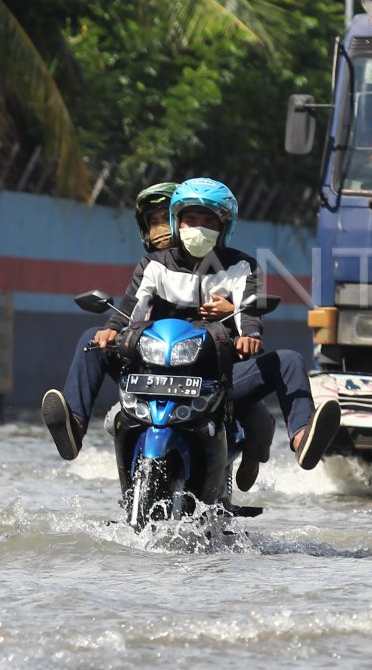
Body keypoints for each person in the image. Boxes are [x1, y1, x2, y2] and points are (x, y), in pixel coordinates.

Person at [41, 178, 340, 485]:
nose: (199, 228)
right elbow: (133, 306)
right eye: (191, 220)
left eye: (209, 221)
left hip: (217, 376)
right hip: (153, 369)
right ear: (177, 222)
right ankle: (74, 426)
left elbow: (250, 312)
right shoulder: (153, 265)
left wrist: (248, 335)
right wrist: (111, 330)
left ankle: (303, 438)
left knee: (289, 360)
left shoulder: (242, 266)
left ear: (224, 226)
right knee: (91, 337)